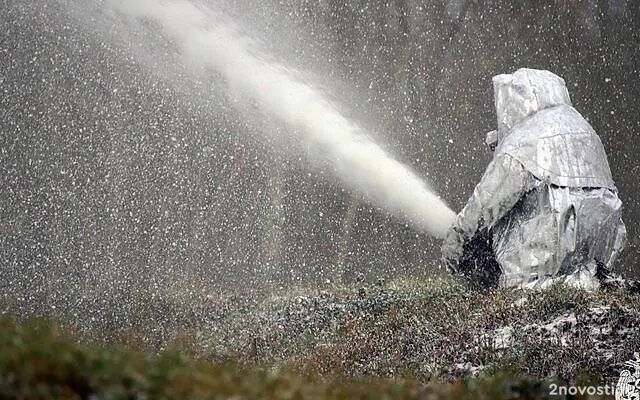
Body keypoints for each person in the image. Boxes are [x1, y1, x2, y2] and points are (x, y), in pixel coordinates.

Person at [441, 68, 626, 290]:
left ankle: (540, 287)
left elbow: (486, 201)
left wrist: (457, 240)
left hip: (545, 247)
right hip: (599, 241)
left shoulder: (523, 140)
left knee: (514, 282)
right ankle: (587, 280)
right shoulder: (584, 130)